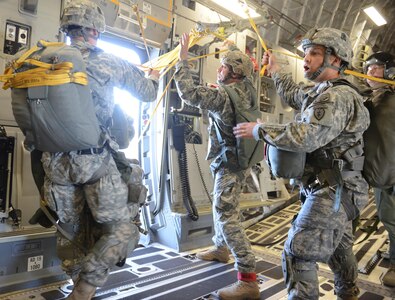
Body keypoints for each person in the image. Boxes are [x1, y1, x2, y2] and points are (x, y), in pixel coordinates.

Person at [234, 27, 370, 300]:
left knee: (297, 254)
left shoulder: (337, 97)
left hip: (334, 190)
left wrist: (260, 130)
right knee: (338, 249)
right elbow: (296, 95)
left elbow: (306, 137)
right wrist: (276, 71)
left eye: (315, 53)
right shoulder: (323, 92)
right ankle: (348, 292)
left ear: (336, 59)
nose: (306, 59)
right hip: (341, 188)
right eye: (306, 53)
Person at [36, 1, 160, 299]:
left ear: (66, 28)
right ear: (95, 30)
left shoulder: (43, 58)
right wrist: (153, 76)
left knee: (71, 230)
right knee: (123, 232)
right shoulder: (110, 61)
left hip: (54, 164)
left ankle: (74, 280)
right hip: (93, 162)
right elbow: (148, 92)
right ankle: (85, 289)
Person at [174, 33, 259, 299]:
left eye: (223, 66)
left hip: (229, 164)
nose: (219, 69)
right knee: (221, 206)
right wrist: (231, 48)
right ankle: (221, 249)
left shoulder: (221, 95)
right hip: (240, 161)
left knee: (226, 215)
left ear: (234, 72)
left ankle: (248, 279)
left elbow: (188, 94)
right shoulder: (248, 88)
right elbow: (237, 70)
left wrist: (182, 60)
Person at [363, 51, 395, 287]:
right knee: (388, 218)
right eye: (368, 67)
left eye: (377, 67)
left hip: (391, 174)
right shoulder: (372, 100)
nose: (370, 71)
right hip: (381, 174)